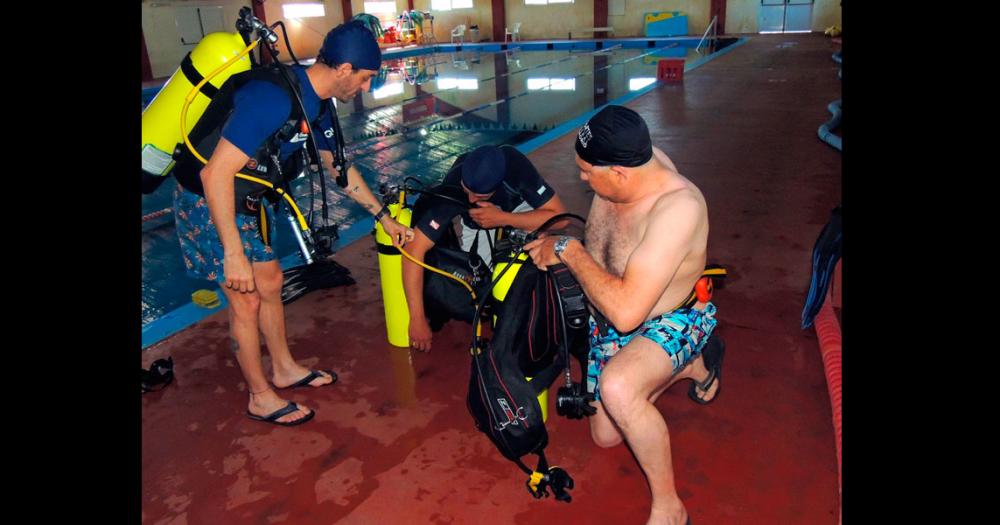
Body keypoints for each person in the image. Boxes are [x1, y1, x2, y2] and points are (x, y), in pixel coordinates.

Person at [171, 21, 413, 426]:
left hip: (246, 199)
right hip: (207, 200)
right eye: (366, 78)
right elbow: (215, 175)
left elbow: (337, 167)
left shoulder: (316, 105)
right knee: (244, 297)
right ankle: (260, 397)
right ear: (344, 69)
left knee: (269, 282)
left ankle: (283, 369)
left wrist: (383, 218)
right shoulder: (272, 98)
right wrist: (232, 252)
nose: (367, 89)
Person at [524, 105, 724, 525]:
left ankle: (670, 506)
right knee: (606, 437)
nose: (580, 180)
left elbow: (628, 313)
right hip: (612, 315)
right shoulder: (629, 168)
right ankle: (687, 368)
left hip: (670, 318)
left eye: (585, 173)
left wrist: (567, 249)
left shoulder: (677, 210)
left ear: (618, 173)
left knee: (618, 389)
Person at [401, 144, 567, 351]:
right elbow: (413, 250)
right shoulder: (454, 187)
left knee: (536, 261)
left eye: (479, 196)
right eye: (467, 191)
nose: (471, 200)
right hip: (477, 221)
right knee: (482, 290)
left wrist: (504, 219)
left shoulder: (517, 169)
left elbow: (560, 219)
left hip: (517, 208)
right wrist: (416, 318)